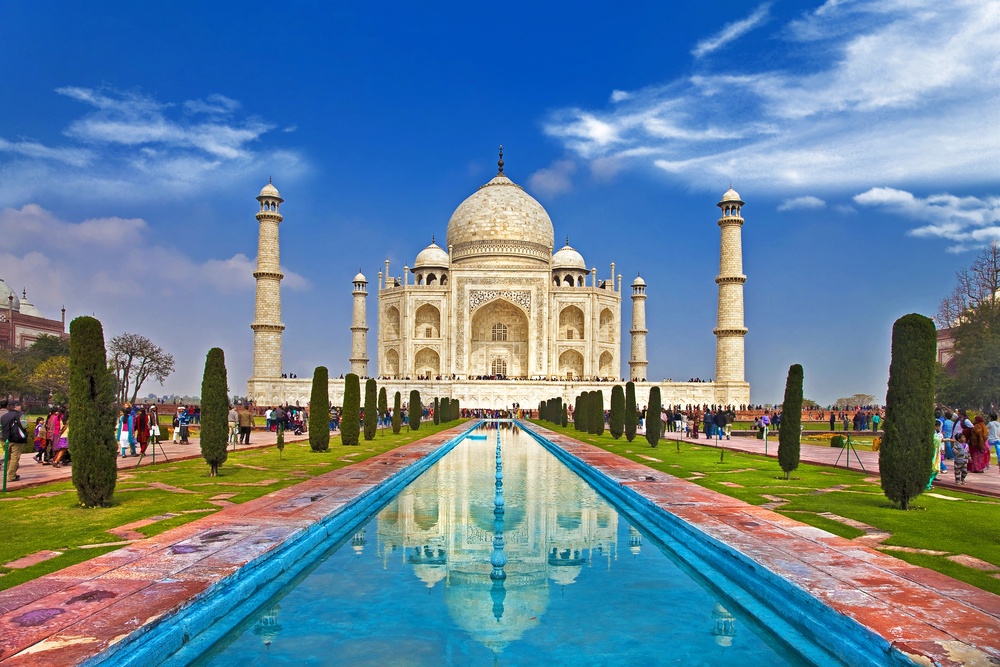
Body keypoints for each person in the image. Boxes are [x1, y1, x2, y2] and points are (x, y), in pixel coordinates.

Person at [1, 400, 27, 482]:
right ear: (16, 406)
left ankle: (8, 473)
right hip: (17, 439)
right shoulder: (20, 415)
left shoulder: (4, 416)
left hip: (5, 439)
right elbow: (25, 425)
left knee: (8, 458)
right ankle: (11, 476)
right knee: (14, 458)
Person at [928, 421, 945, 490]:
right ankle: (928, 484)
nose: (937, 428)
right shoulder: (932, 433)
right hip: (933, 451)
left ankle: (929, 482)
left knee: (937, 467)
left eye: (939, 426)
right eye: (936, 426)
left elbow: (941, 442)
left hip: (938, 452)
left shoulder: (940, 434)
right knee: (933, 467)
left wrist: (942, 449)